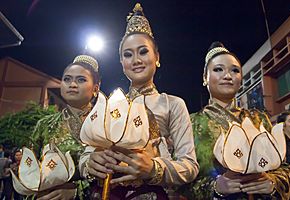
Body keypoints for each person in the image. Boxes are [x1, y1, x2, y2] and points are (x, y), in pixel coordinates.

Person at [79, 3, 199, 199]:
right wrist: (89, 162)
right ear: (121, 63)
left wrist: (153, 169)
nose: (136, 60)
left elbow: (190, 166)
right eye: (128, 54)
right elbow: (88, 151)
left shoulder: (172, 104)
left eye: (143, 51)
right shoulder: (110, 105)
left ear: (157, 57)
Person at [181, 42, 290, 199]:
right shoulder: (190, 123)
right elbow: (180, 179)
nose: (227, 76)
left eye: (235, 70)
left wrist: (273, 182)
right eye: (218, 69)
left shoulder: (258, 119)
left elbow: (283, 167)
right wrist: (214, 187)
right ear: (205, 77)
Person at [30, 55, 100, 200]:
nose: (72, 84)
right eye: (67, 79)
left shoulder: (107, 124)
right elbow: (29, 171)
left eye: (81, 80)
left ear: (95, 89)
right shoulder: (44, 125)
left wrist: (77, 192)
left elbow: (114, 174)